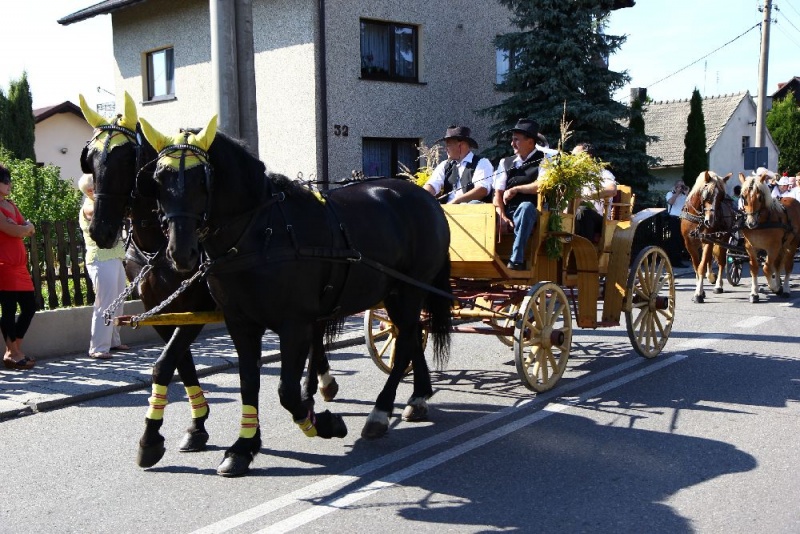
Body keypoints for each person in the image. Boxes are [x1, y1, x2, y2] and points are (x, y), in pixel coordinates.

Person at [78, 174, 129, 359]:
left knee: (118, 302)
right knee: (105, 304)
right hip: (100, 258)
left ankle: (113, 341)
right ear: (91, 190)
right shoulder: (90, 206)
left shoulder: (99, 203)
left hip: (113, 257)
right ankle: (98, 347)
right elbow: (102, 217)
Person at [493, 118, 546, 270]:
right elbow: (498, 192)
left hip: (533, 212)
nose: (512, 143)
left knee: (525, 207)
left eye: (516, 140)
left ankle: (516, 260)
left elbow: (541, 185)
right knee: (475, 208)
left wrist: (517, 189)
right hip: (507, 211)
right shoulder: (506, 162)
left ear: (530, 142)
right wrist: (501, 215)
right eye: (512, 139)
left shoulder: (545, 160)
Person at [0, 164, 37, 370]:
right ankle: (13, 353)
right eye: (5, 181)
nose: (9, 184)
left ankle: (14, 350)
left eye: (9, 180)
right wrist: (23, 228)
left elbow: (28, 228)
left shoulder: (11, 205)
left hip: (20, 268)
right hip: (4, 266)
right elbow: (15, 230)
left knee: (29, 307)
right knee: (8, 309)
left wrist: (23, 228)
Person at [424, 126, 493, 204]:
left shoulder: (482, 163)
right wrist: (423, 196)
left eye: (448, 145)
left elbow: (482, 190)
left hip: (472, 212)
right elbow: (432, 184)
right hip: (447, 211)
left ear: (461, 145)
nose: (446, 149)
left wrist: (457, 201)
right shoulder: (445, 165)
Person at [571, 143, 617, 242]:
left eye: (575, 156)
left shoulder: (602, 173)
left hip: (599, 220)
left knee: (583, 211)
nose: (572, 160)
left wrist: (586, 196)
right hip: (574, 215)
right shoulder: (573, 176)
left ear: (588, 156)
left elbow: (612, 190)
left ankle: (585, 251)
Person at [664, 179, 690, 268]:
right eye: (679, 186)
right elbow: (670, 202)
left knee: (682, 241)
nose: (681, 188)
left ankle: (679, 260)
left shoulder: (684, 196)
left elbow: (690, 205)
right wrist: (677, 193)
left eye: (682, 186)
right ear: (675, 186)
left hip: (683, 219)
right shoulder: (670, 194)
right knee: (675, 241)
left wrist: (687, 194)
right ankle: (674, 261)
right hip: (674, 219)